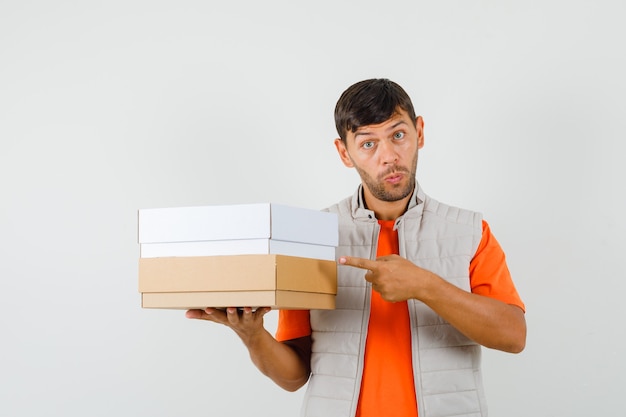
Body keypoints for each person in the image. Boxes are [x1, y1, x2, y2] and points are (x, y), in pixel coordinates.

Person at [186, 78, 526, 417]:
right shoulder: (310, 238)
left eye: (398, 135)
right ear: (344, 153)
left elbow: (513, 336)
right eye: (368, 144)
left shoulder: (469, 231)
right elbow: (294, 377)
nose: (389, 156)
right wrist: (253, 335)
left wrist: (425, 286)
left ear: (419, 132)